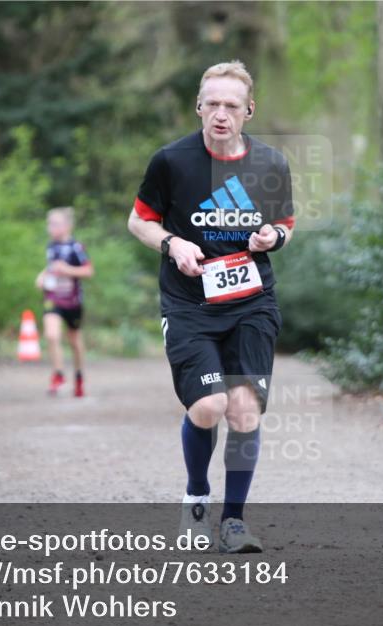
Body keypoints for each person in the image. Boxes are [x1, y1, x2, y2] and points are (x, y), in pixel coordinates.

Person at [127, 61, 295, 553]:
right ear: (199, 107)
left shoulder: (271, 164)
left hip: (252, 303)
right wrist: (172, 244)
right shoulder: (171, 162)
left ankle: (235, 522)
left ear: (249, 112)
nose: (221, 114)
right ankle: (197, 499)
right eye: (213, 104)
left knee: (243, 412)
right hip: (189, 305)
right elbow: (139, 222)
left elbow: (285, 221)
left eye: (232, 106)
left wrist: (275, 237)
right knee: (208, 406)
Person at [35, 207, 93, 397]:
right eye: (49, 223)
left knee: (74, 340)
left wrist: (67, 270)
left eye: (54, 223)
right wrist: (42, 276)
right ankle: (58, 374)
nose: (50, 227)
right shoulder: (51, 247)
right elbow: (52, 268)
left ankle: (78, 376)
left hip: (73, 302)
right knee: (51, 335)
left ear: (67, 226)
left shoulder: (76, 248)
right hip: (53, 299)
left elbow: (88, 271)